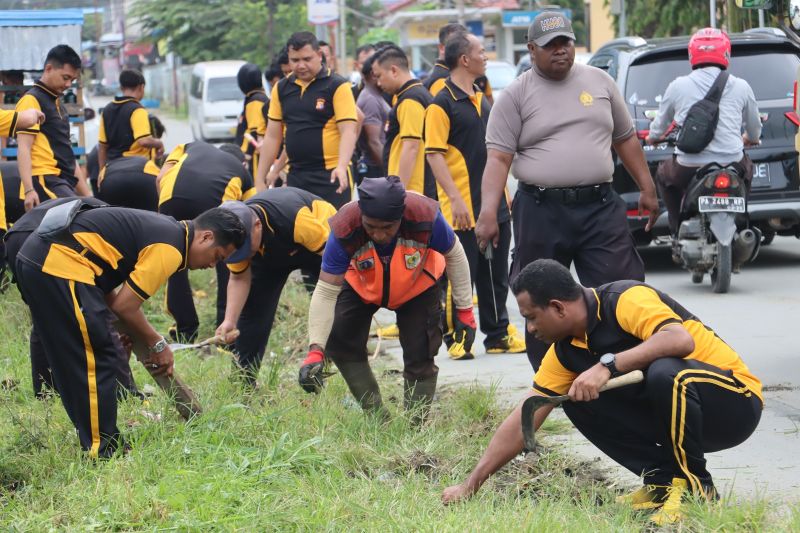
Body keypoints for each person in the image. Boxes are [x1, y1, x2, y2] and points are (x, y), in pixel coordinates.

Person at [441, 259, 762, 525]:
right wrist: (471, 484)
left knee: (666, 373)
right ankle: (662, 482)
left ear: (557, 307)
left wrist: (607, 366)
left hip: (734, 401)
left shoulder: (624, 300)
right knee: (575, 398)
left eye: (531, 318)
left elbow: (679, 341)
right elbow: (527, 413)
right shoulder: (565, 352)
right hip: (681, 417)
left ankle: (698, 490)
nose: (531, 330)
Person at [476, 11, 659, 371]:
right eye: (550, 45)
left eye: (566, 42)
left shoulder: (600, 82)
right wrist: (487, 214)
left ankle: (625, 368)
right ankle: (551, 381)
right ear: (531, 49)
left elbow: (625, 140)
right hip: (541, 209)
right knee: (541, 297)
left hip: (600, 207)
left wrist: (647, 189)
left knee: (623, 290)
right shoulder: (515, 95)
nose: (560, 51)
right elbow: (498, 159)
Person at [15, 205, 246, 457]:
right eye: (218, 256)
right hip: (60, 265)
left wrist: (124, 330)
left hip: (41, 261)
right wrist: (157, 344)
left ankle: (96, 441)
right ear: (206, 237)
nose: (212, 265)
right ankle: (102, 450)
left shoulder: (165, 230)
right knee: (94, 358)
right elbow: (126, 306)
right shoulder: (170, 247)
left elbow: (115, 301)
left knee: (80, 355)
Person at [297, 176, 476, 424]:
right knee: (340, 339)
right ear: (361, 217)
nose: (379, 234)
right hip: (361, 283)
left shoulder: (425, 216)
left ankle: (415, 427)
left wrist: (465, 311)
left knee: (421, 352)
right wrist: (315, 351)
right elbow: (326, 290)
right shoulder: (345, 226)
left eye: (388, 227)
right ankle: (378, 417)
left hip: (418, 285)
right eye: (371, 227)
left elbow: (455, 256)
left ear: (401, 217)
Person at [425, 33, 524, 359]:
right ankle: (458, 336)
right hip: (463, 206)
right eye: (482, 51)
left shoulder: (482, 98)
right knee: (461, 273)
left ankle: (496, 335)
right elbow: (434, 155)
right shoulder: (441, 103)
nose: (486, 56)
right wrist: (454, 199)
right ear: (464, 60)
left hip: (495, 204)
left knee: (496, 274)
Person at [4, 197, 141, 400]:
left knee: (43, 320)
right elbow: (107, 301)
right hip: (42, 238)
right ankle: (124, 391)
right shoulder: (119, 233)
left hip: (17, 237)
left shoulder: (111, 218)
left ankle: (46, 392)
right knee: (99, 317)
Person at [213, 188, 336, 387]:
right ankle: (243, 383)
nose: (243, 254)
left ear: (257, 226)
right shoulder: (235, 237)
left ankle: (324, 364)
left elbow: (337, 263)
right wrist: (229, 321)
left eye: (245, 248)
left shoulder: (298, 220)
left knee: (331, 302)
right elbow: (238, 279)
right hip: (270, 256)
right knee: (253, 314)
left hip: (319, 247)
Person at [646, 28, 761, 237]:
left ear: (692, 54)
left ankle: (676, 227)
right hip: (732, 162)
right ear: (726, 53)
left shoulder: (677, 86)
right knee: (748, 170)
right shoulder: (742, 86)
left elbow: (659, 126)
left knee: (664, 175)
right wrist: (750, 139)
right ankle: (741, 217)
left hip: (688, 165)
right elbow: (754, 129)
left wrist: (652, 137)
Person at [157, 141, 256, 342]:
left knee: (175, 261)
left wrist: (168, 215)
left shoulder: (189, 146)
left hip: (171, 197)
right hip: (216, 207)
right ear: (242, 163)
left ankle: (185, 330)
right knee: (226, 261)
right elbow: (250, 216)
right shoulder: (243, 173)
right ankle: (224, 331)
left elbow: (160, 178)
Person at [256, 32, 358, 209]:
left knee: (332, 232)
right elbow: (273, 136)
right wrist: (260, 178)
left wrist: (342, 166)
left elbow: (349, 130)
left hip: (331, 175)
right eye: (295, 60)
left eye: (307, 59)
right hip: (296, 175)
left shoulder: (337, 86)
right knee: (299, 233)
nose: (301, 65)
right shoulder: (281, 88)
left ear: (319, 55)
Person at [15, 45, 91, 211]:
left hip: (61, 182)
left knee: (96, 211)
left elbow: (68, 158)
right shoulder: (31, 101)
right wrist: (29, 190)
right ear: (49, 68)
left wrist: (89, 197)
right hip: (43, 180)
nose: (68, 84)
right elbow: (24, 147)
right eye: (65, 77)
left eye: (72, 80)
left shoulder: (59, 105)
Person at [372, 46, 436, 198]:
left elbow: (411, 147)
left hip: (413, 190)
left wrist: (399, 191)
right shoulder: (413, 94)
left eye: (379, 76)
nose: (379, 83)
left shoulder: (410, 100)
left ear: (394, 70)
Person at [97, 69, 164, 170]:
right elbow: (144, 141)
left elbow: (102, 147)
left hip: (112, 170)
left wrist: (102, 173)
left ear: (121, 87)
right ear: (141, 87)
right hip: (136, 169)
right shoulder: (137, 110)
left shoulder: (107, 110)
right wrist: (159, 143)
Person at [424, 23, 494, 105]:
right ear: (442, 48)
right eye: (453, 44)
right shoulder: (441, 82)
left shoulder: (477, 78)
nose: (460, 48)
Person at [355, 52, 390, 182]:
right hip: (375, 169)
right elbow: (373, 141)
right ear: (373, 75)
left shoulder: (375, 95)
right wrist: (389, 171)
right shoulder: (370, 99)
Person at [235, 63, 269, 177]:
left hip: (254, 154)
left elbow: (255, 130)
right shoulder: (260, 97)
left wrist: (247, 155)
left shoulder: (255, 100)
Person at [95, 156, 161, 211]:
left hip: (111, 181)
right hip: (144, 178)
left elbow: (99, 185)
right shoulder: (149, 163)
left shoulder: (107, 166)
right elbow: (160, 179)